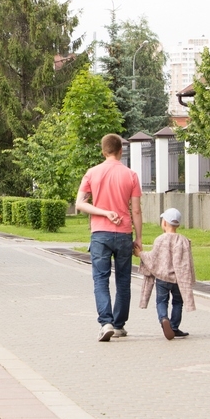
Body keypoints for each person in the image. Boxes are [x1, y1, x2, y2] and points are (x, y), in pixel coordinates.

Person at [76, 133, 143, 342]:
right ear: (121, 150)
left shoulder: (92, 173)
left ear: (103, 151)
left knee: (100, 279)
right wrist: (139, 238)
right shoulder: (131, 175)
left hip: (100, 234)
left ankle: (105, 322)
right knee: (123, 280)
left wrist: (103, 213)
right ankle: (119, 325)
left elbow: (80, 203)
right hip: (123, 233)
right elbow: (137, 210)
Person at [136, 208, 196, 340]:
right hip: (178, 279)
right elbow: (188, 262)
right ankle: (174, 327)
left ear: (164, 223)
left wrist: (140, 254)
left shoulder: (160, 240)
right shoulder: (184, 240)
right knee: (177, 303)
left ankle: (164, 319)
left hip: (162, 278)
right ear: (178, 225)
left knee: (161, 301)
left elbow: (153, 258)